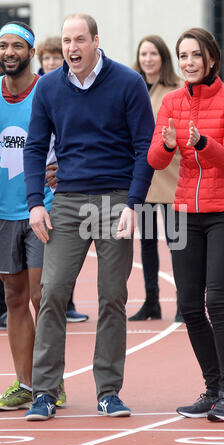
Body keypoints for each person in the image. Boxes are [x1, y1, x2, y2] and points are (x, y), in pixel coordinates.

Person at [23, 13, 154, 421]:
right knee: (52, 292)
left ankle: (108, 391)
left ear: (96, 40)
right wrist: (35, 203)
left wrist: (133, 204)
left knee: (112, 297)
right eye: (66, 41)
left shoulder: (128, 83)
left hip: (116, 199)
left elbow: (145, 147)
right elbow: (34, 147)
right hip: (67, 199)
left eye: (80, 40)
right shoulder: (47, 87)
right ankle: (44, 392)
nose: (72, 48)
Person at [148, 27, 224, 422]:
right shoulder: (171, 101)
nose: (188, 62)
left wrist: (203, 142)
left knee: (216, 304)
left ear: (211, 59)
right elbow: (155, 160)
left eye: (195, 55)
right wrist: (171, 144)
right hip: (182, 215)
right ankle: (211, 390)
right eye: (183, 56)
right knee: (190, 306)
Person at [0, 21, 56, 409]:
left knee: (42, 296)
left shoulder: (48, 92)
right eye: (2, 46)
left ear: (31, 52)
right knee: (15, 298)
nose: (8, 52)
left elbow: (74, 135)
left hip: (42, 209)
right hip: (3, 213)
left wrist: (66, 166)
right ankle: (25, 383)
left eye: (17, 46)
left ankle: (51, 382)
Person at [128, 35, 183, 322]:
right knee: (147, 241)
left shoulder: (177, 89)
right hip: (145, 178)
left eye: (153, 54)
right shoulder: (131, 86)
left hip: (173, 177)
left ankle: (185, 304)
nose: (148, 59)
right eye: (143, 53)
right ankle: (152, 301)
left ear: (163, 57)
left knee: (178, 242)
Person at [37, 36, 89, 323]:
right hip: (36, 177)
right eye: (47, 58)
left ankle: (66, 302)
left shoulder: (71, 89)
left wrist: (63, 167)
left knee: (62, 242)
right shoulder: (40, 90)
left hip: (61, 179)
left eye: (56, 57)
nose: (52, 62)